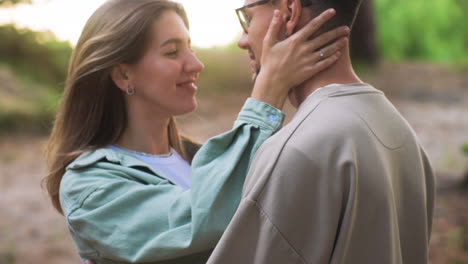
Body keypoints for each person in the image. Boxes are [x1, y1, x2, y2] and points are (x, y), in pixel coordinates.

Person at [43, 0, 350, 263]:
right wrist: (268, 92)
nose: (196, 64)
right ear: (124, 74)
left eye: (189, 48)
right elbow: (198, 219)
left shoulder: (202, 160)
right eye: (172, 52)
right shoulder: (89, 187)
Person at [206, 0, 436, 263]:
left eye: (248, 19)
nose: (243, 40)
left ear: (289, 12)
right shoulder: (401, 133)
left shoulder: (298, 150)